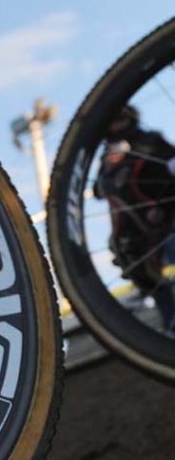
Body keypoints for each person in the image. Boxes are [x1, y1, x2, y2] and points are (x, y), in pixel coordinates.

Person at [93, 104, 175, 334]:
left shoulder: (150, 139)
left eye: (120, 119)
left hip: (167, 212)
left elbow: (170, 160)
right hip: (137, 228)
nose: (116, 125)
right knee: (147, 273)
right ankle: (171, 321)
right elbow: (98, 191)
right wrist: (111, 164)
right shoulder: (109, 154)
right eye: (112, 122)